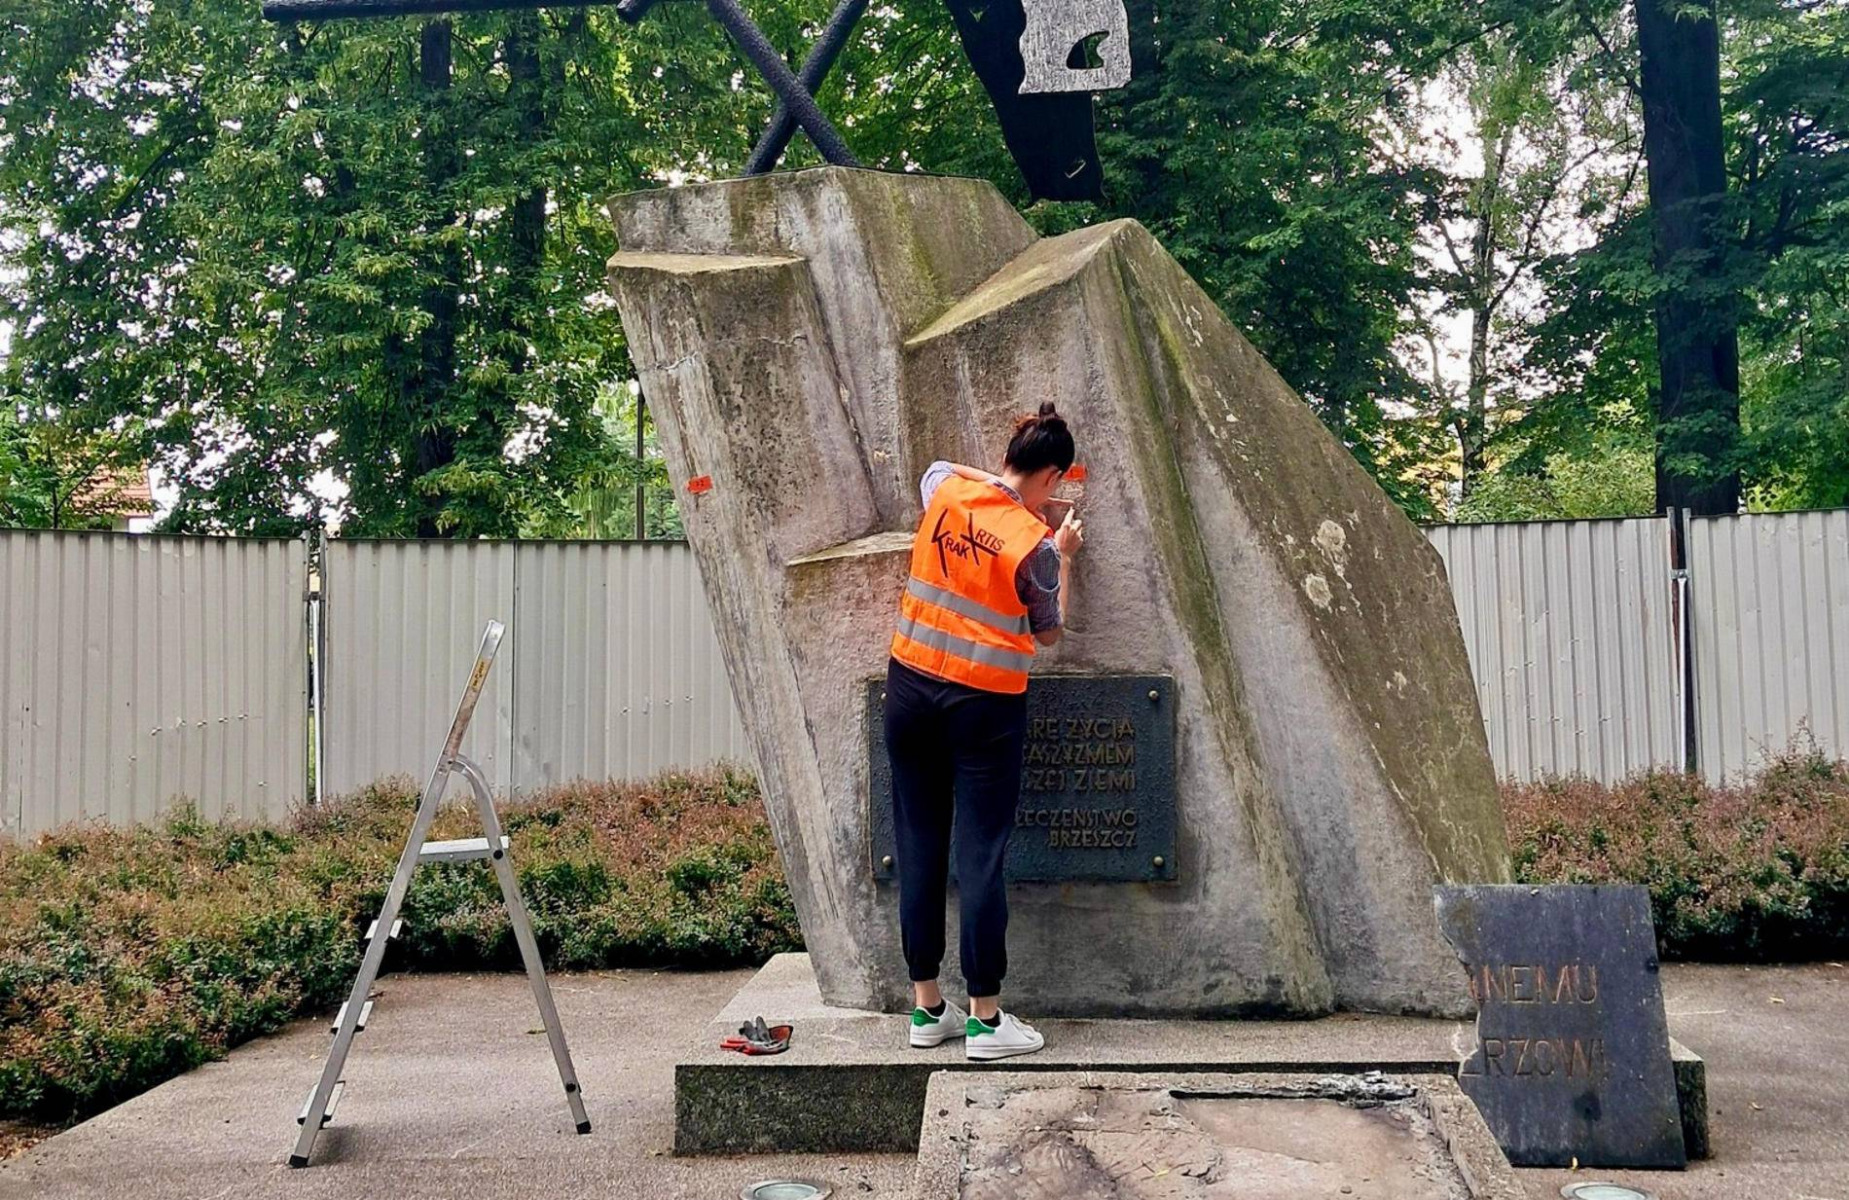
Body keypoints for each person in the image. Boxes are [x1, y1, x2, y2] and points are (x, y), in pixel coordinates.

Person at [884, 401, 1083, 1061]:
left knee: (916, 843)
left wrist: (1011, 481)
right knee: (979, 855)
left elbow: (950, 472)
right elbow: (1049, 634)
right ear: (1053, 474)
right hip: (983, 706)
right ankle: (985, 1020)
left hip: (909, 688)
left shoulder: (946, 488)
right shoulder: (1035, 548)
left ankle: (925, 1009)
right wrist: (1062, 549)